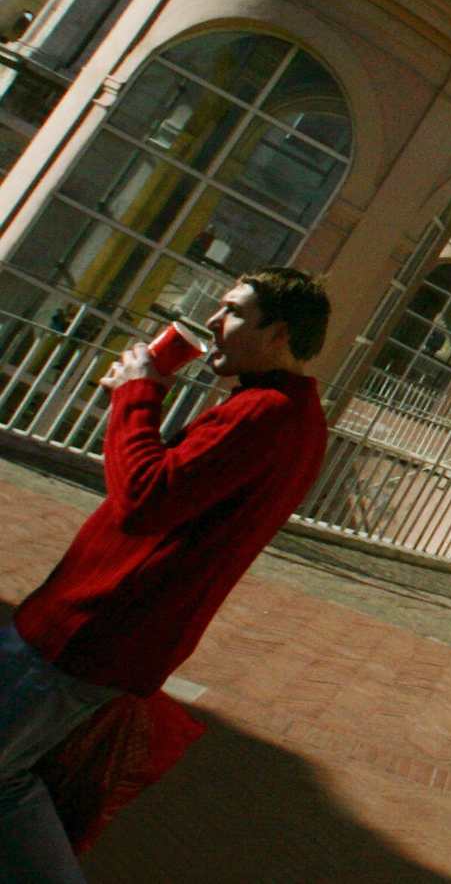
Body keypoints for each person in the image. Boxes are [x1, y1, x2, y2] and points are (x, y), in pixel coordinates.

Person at [0, 267, 331, 880]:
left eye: (232, 312)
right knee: (10, 777)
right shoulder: (294, 416)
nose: (211, 322)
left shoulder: (263, 413)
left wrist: (137, 393)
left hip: (85, 628)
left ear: (279, 332)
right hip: (106, 633)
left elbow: (146, 499)